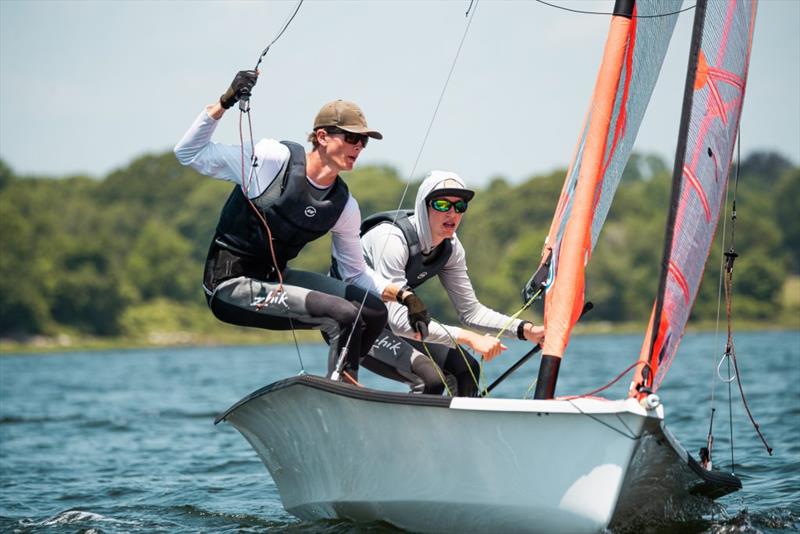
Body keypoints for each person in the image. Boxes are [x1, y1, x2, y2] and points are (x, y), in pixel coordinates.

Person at [174, 70, 429, 383]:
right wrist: (224, 102)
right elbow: (188, 152)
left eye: (363, 141)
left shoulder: (343, 205)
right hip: (228, 286)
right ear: (322, 137)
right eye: (351, 138)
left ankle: (368, 384)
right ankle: (341, 387)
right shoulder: (271, 160)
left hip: (275, 279)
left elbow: (355, 273)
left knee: (372, 311)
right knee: (345, 314)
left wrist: (404, 296)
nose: (358, 147)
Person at [350, 170, 545, 396]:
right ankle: (416, 431)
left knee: (466, 371)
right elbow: (399, 322)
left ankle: (458, 430)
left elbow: (470, 312)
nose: (452, 213)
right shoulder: (392, 239)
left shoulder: (450, 248)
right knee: (431, 379)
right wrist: (469, 338)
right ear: (424, 206)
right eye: (442, 205)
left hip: (393, 321)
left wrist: (526, 330)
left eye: (460, 206)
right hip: (355, 321)